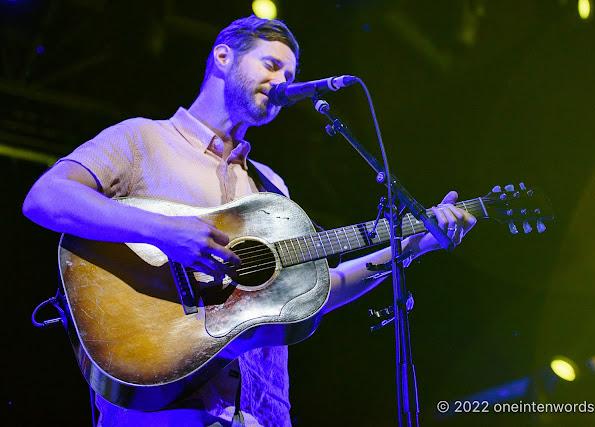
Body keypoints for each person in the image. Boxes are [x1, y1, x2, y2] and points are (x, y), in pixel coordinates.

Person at [22, 15, 476, 427]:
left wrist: (411, 247)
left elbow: (322, 287)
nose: (284, 81)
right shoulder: (143, 139)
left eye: (292, 76)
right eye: (272, 65)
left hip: (262, 413)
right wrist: (163, 232)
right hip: (164, 406)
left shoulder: (271, 187)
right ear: (223, 56)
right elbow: (45, 197)